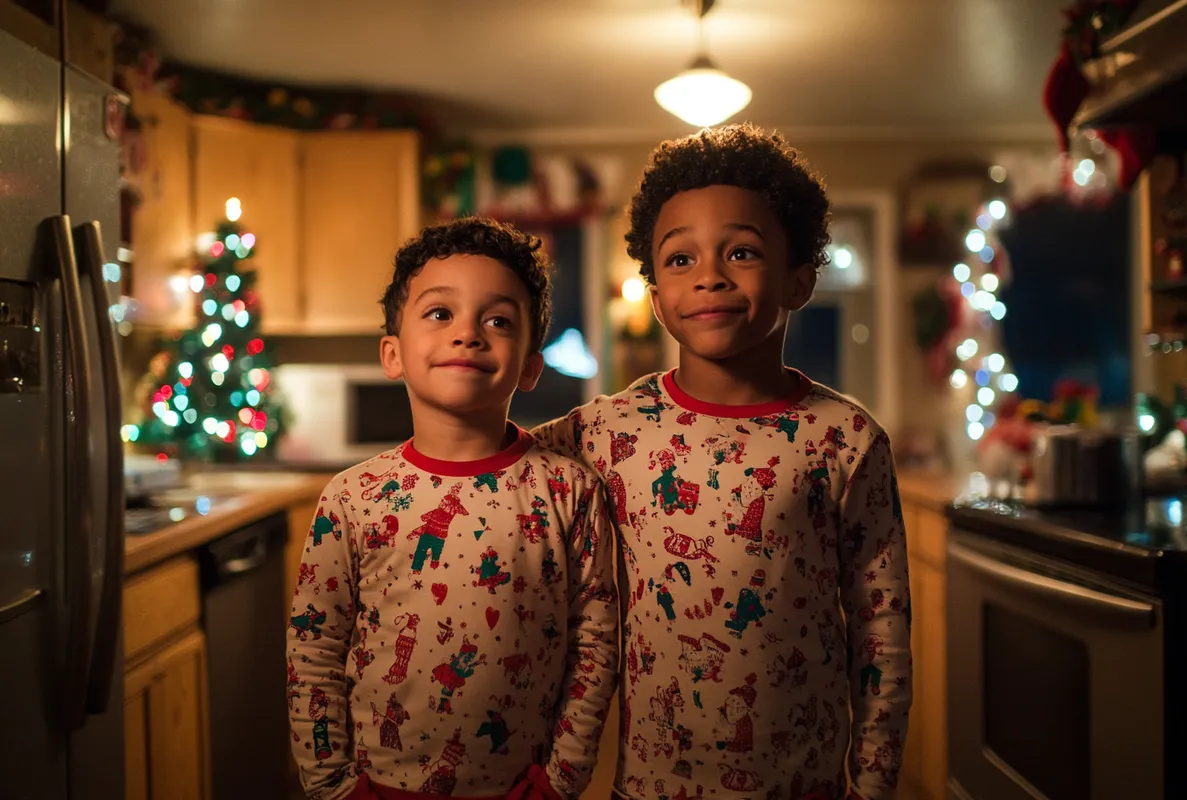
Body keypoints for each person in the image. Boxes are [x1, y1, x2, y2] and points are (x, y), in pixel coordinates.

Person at [533, 124, 912, 800]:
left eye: (741, 251)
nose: (708, 274)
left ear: (800, 281)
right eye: (680, 259)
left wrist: (874, 782)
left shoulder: (848, 439)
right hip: (649, 787)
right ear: (655, 300)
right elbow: (497, 470)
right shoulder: (601, 433)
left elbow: (881, 630)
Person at [288, 217, 618, 800]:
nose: (468, 333)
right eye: (441, 314)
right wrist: (333, 787)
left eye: (498, 320)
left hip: (521, 791)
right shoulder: (352, 497)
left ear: (530, 366)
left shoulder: (570, 491)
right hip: (379, 789)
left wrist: (560, 782)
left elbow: (594, 644)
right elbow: (314, 647)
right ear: (393, 353)